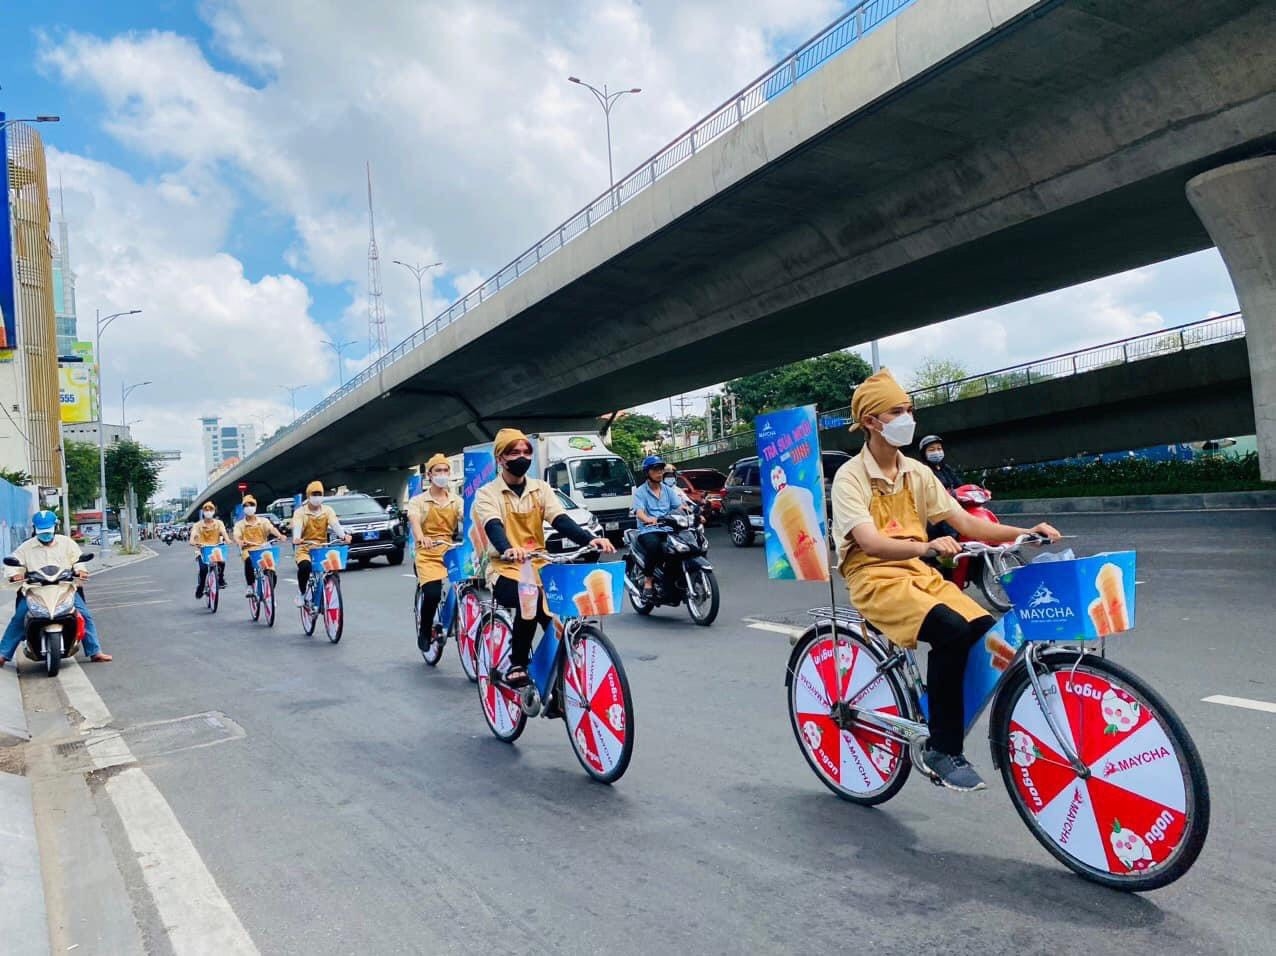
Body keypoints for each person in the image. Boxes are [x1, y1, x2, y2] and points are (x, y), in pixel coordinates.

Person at [831, 369, 1060, 792]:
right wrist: (928, 548)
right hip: (874, 577)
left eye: (909, 410)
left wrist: (1023, 532)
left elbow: (965, 522)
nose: (907, 418)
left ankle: (941, 713)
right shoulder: (851, 477)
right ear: (870, 422)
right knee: (951, 631)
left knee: (988, 634)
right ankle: (942, 747)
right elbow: (869, 542)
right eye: (896, 411)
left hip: (918, 574)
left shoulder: (917, 472)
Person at [473, 428, 614, 688]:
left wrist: (588, 539)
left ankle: (555, 680)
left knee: (558, 618)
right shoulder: (487, 494)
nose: (522, 457)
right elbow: (493, 525)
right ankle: (517, 663)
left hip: (539, 564)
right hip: (504, 568)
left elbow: (559, 519)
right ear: (501, 459)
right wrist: (507, 548)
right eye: (514, 452)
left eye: (527, 451)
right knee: (531, 600)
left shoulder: (541, 488)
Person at [0, 510, 112, 666]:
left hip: (65, 589)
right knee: (19, 617)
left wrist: (80, 571)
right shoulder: (26, 547)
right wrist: (15, 575)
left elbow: (78, 561)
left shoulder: (67, 543)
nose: (45, 535)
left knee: (84, 615)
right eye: (41, 532)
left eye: (48, 531)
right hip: (36, 590)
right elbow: (13, 565)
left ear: (55, 527)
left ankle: (95, 651)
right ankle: (3, 654)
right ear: (35, 529)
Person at [407, 454, 463, 653]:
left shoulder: (456, 501)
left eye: (445, 471)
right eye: (438, 471)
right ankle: (425, 630)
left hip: (450, 551)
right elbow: (414, 520)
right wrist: (421, 536)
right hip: (427, 553)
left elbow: (469, 519)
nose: (442, 475)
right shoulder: (418, 501)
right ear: (429, 475)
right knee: (432, 593)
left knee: (470, 584)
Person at [631, 455, 689, 603]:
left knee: (683, 547)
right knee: (654, 546)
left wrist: (693, 510)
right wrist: (648, 519)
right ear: (647, 473)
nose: (660, 473)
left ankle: (674, 579)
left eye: (661, 469)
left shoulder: (668, 490)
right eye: (655, 470)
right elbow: (640, 513)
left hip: (669, 528)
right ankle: (648, 581)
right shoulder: (640, 492)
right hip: (649, 530)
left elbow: (679, 506)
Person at [292, 481, 352, 606]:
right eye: (314, 494)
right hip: (304, 548)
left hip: (322, 548)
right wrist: (297, 538)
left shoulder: (327, 510)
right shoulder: (300, 512)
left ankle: (333, 596)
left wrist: (343, 536)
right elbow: (297, 526)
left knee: (333, 571)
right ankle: (302, 593)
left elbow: (335, 524)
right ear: (308, 496)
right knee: (305, 567)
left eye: (319, 494)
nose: (317, 496)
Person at [232, 495, 287, 597]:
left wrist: (280, 535)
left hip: (263, 548)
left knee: (272, 573)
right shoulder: (239, 524)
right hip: (248, 550)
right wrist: (239, 541)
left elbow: (271, 529)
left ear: (255, 506)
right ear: (243, 508)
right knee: (248, 561)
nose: (249, 507)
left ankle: (269, 591)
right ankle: (250, 586)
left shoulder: (263, 521)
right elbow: (236, 535)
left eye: (251, 505)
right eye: (246, 505)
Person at [189, 502, 230, 599]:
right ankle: (201, 586)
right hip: (202, 551)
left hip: (216, 549)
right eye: (206, 510)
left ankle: (220, 579)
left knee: (222, 562)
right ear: (203, 512)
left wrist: (227, 539)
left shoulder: (219, 523)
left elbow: (223, 532)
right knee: (203, 570)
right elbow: (193, 534)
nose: (208, 512)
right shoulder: (198, 525)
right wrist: (192, 541)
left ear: (214, 511)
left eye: (210, 509)